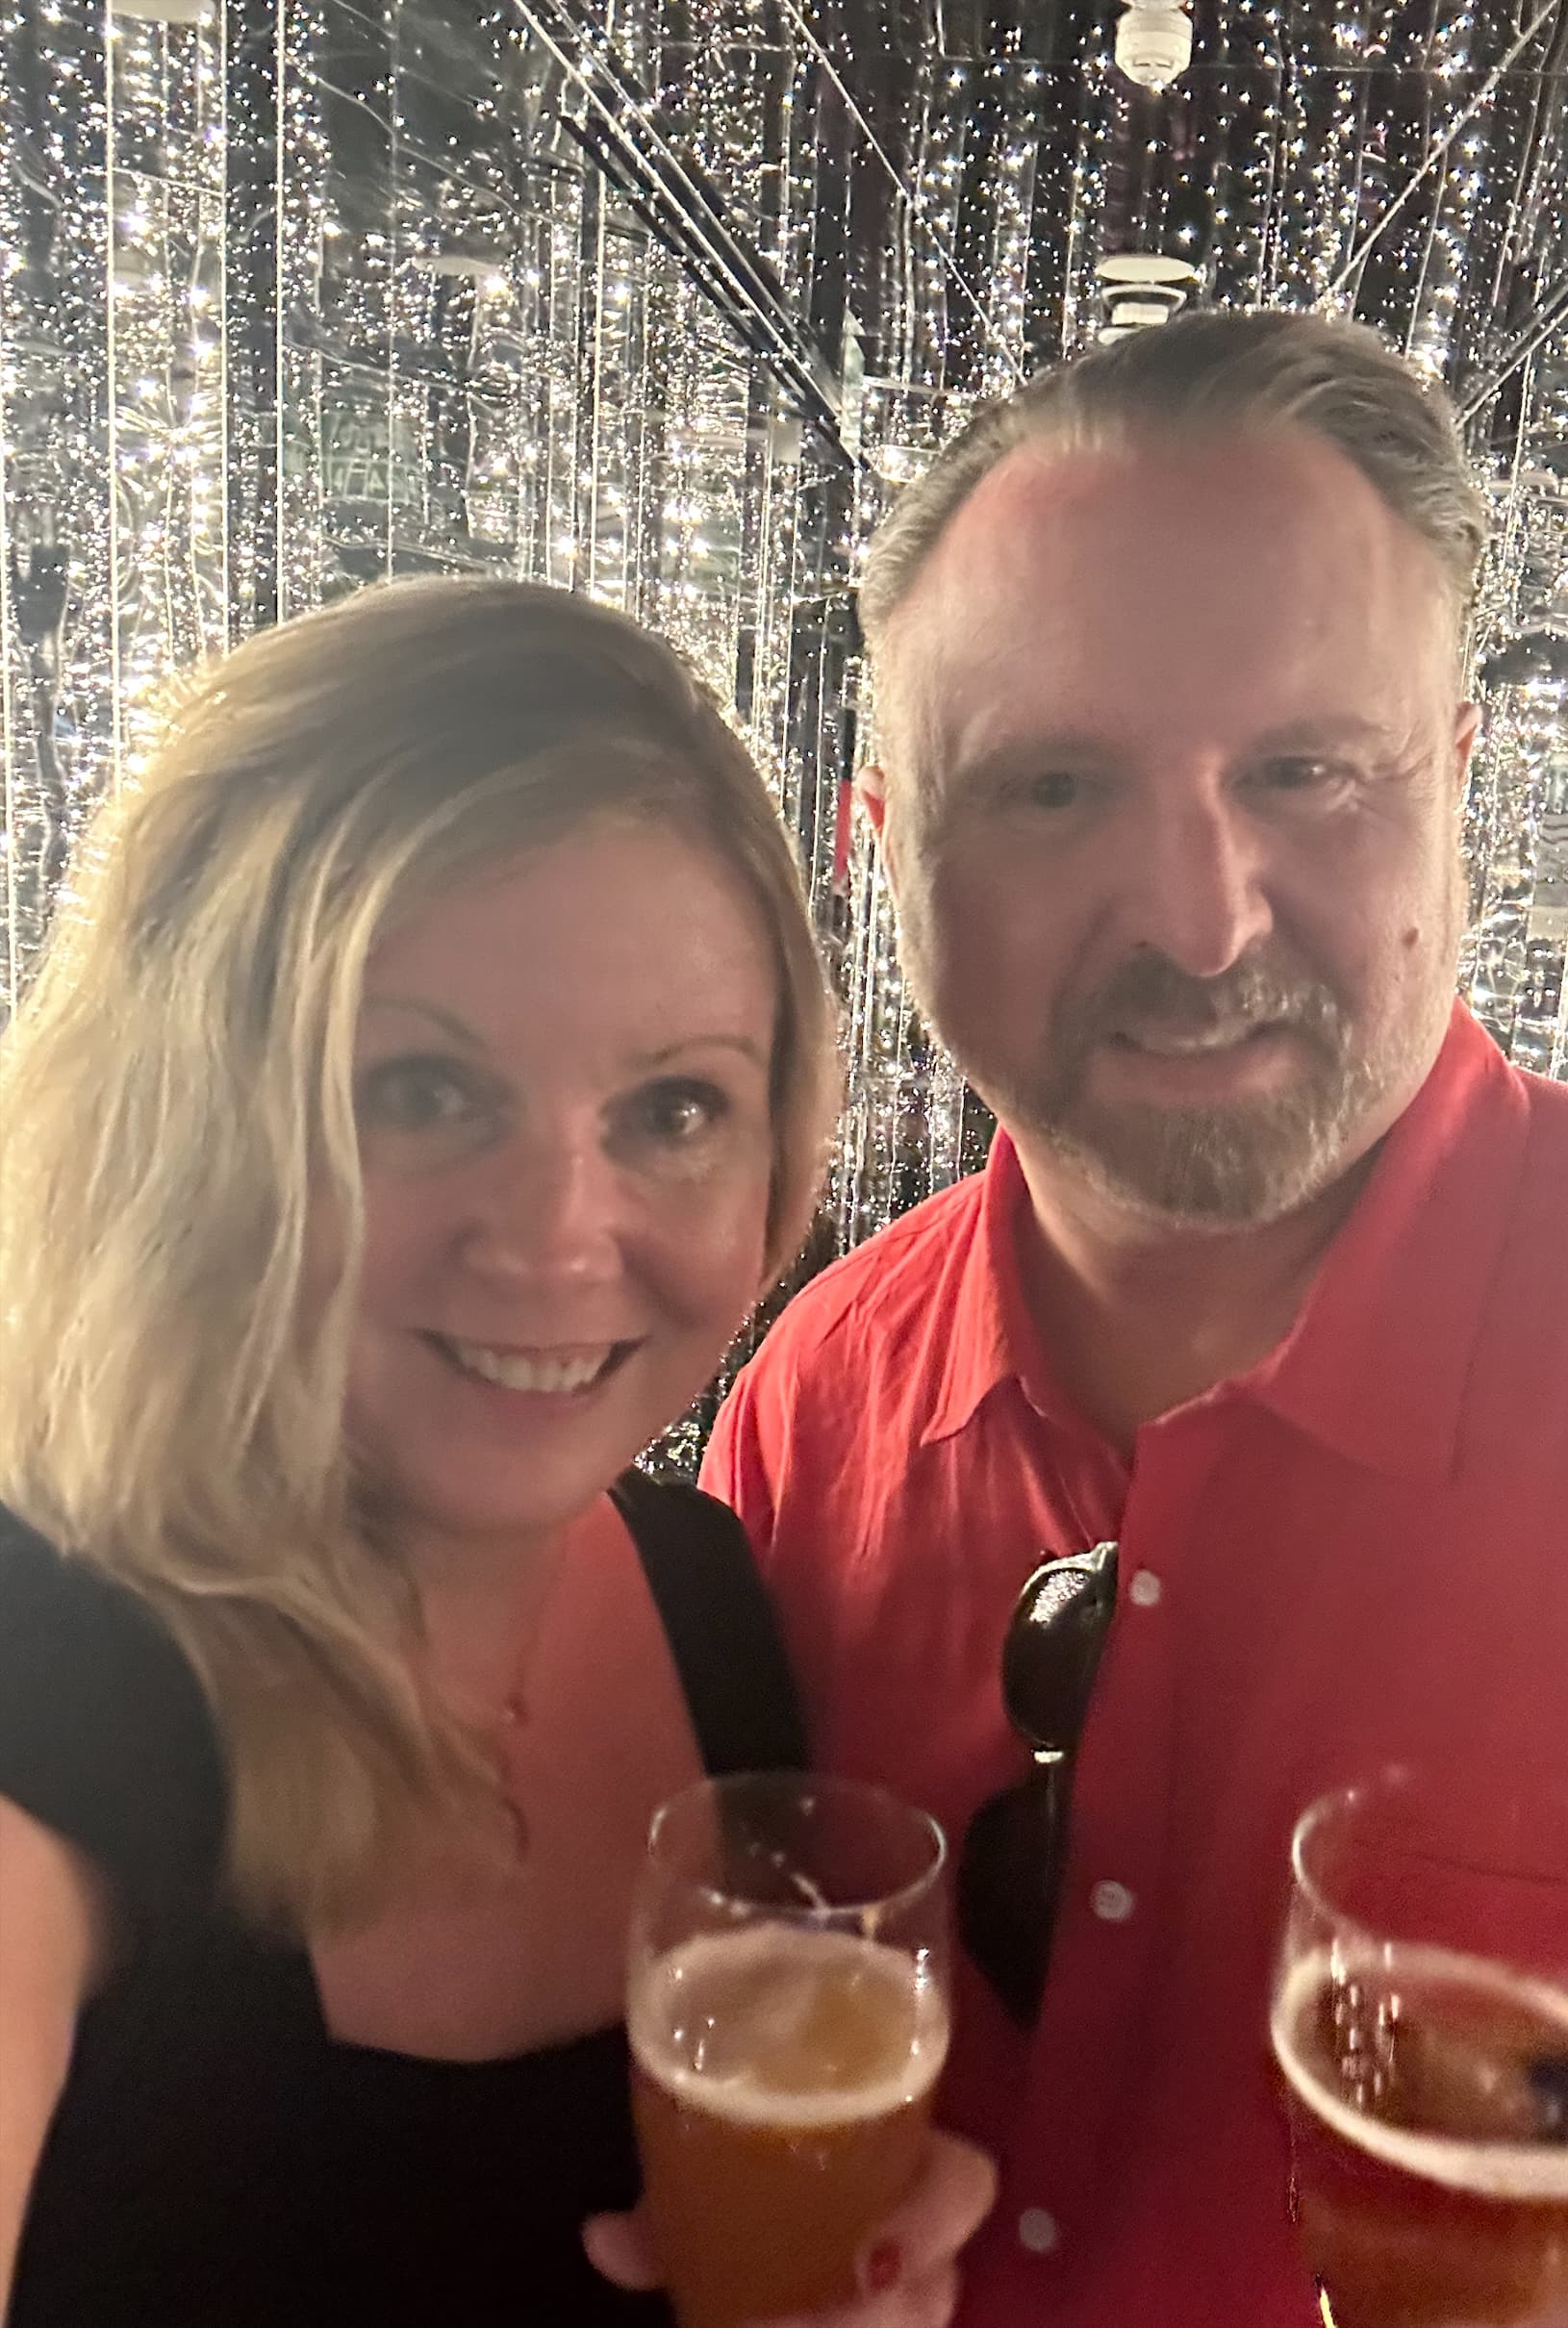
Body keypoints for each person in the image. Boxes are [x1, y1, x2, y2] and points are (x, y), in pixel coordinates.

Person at [702, 309, 1568, 2324]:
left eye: (1303, 771)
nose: (1196, 918)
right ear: (881, 841)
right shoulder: (805, 1406)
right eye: (1053, 787)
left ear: (1455, 781)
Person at [0, 577, 991, 2328]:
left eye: (671, 1108)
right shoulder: (47, 1665)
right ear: (195, 1118)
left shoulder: (707, 1596)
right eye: (420, 1092)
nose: (556, 1238)